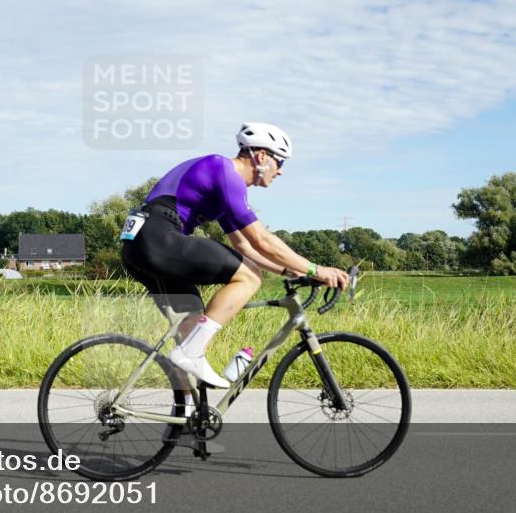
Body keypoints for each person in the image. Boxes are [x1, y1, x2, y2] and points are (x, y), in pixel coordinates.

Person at [120, 122, 351, 389]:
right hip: (158, 238)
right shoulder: (224, 171)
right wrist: (316, 269)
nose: (281, 172)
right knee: (249, 277)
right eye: (281, 162)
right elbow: (261, 239)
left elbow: (245, 247)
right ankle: (191, 354)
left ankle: (183, 415)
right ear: (262, 156)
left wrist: (293, 272)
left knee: (191, 325)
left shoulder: (223, 187)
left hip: (140, 245)